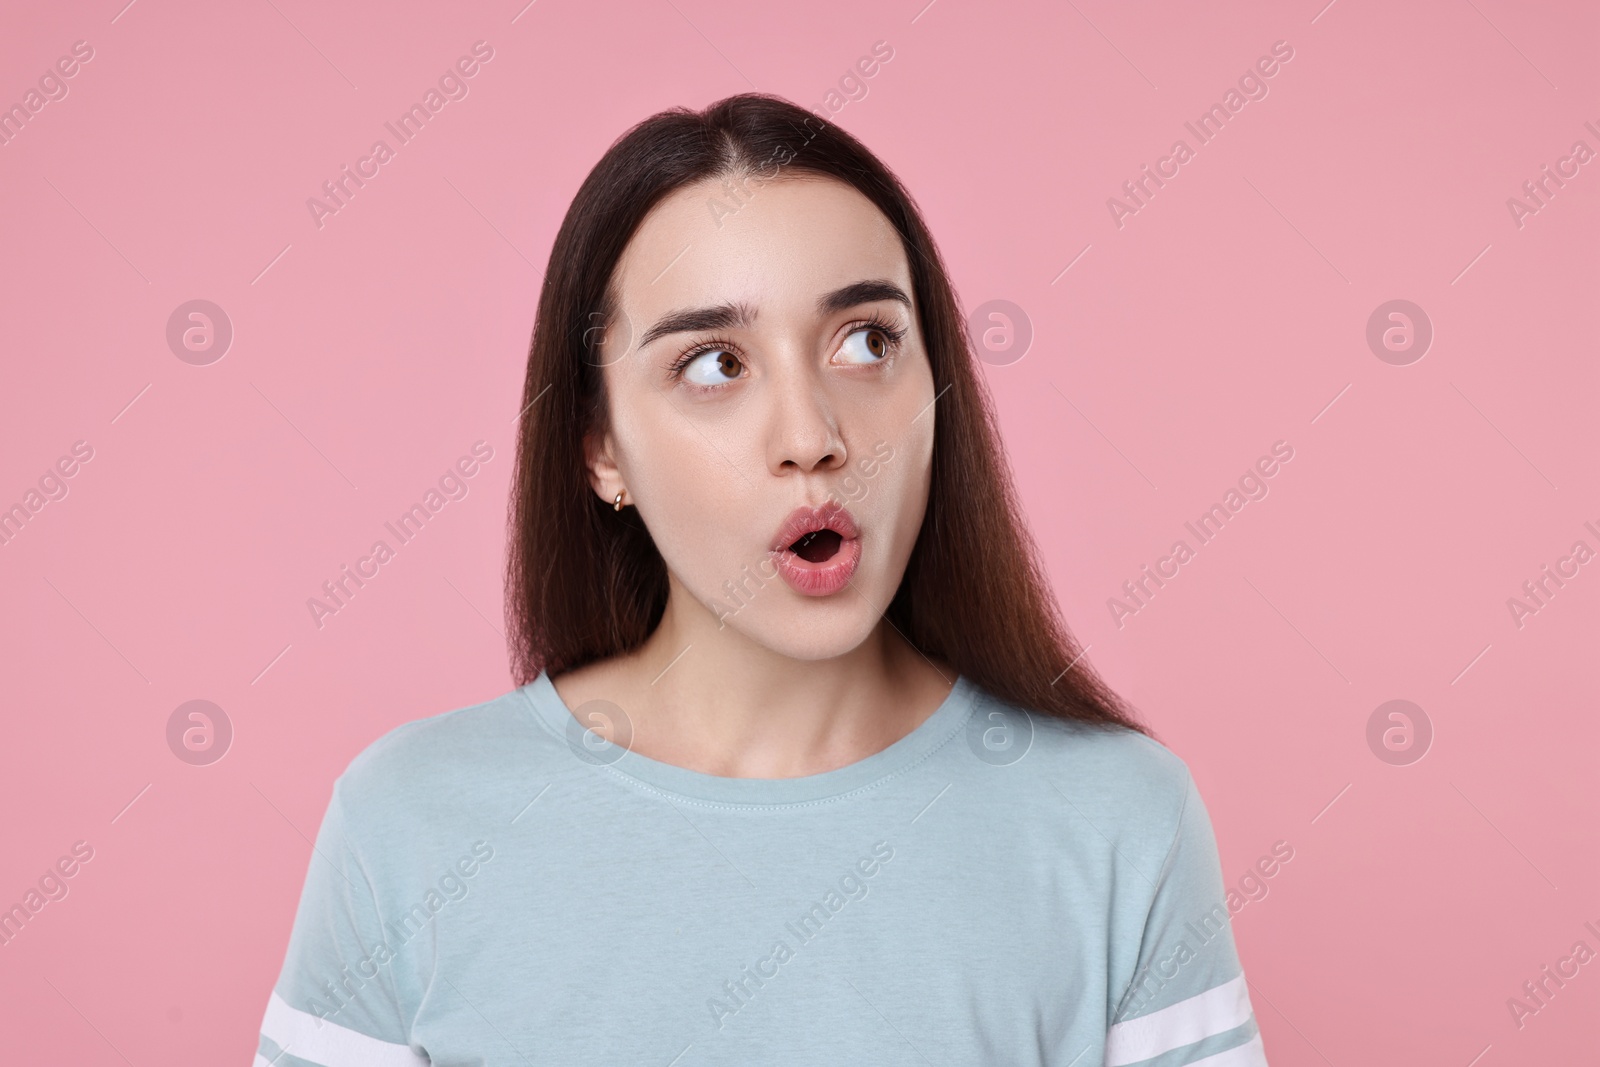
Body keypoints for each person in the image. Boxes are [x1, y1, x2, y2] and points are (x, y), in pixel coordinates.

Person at [254, 92, 1269, 1067]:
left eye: (866, 342)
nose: (812, 437)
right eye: (712, 364)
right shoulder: (411, 825)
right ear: (600, 447)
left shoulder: (1116, 820)